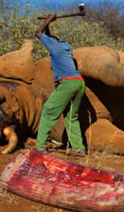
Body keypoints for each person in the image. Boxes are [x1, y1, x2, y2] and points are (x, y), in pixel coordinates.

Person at [35, 14, 87, 156]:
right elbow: (48, 37)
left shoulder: (54, 47)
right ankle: (79, 149)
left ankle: (40, 146)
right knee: (72, 117)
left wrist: (48, 20)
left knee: (48, 110)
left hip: (68, 83)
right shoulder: (65, 47)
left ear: (50, 43)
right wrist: (49, 25)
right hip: (79, 83)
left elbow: (38, 33)